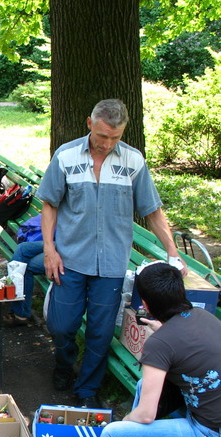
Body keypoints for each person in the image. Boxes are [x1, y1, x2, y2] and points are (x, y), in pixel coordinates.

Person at [37, 99, 186, 408]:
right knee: (62, 326)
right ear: (89, 124)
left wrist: (173, 251)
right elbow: (50, 203)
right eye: (102, 135)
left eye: (115, 137)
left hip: (112, 263)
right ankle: (64, 365)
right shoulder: (65, 155)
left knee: (100, 332)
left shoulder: (133, 161)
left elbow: (152, 210)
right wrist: (49, 249)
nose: (106, 144)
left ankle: (87, 389)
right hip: (70, 259)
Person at [84, 262, 221, 437]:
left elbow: (146, 415)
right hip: (213, 413)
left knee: (114, 436)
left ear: (145, 303)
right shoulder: (203, 316)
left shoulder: (159, 344)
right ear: (181, 292)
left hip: (210, 434)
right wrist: (164, 331)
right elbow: (185, 343)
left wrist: (125, 422)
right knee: (142, 387)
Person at [2, 241, 45, 327]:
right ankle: (20, 311)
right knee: (22, 256)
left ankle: (20, 313)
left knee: (23, 264)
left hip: (66, 249)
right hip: (58, 243)